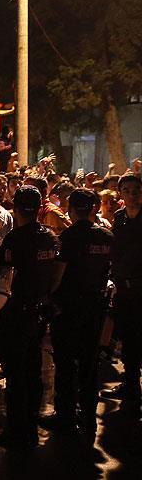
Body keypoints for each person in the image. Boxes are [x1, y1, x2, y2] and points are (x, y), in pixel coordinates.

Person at [0, 186, 64, 450]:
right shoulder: (49, 237)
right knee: (33, 370)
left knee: (15, 373)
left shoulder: (15, 239)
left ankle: (16, 431)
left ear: (16, 207)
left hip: (16, 312)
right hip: (39, 310)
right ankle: (30, 426)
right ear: (40, 207)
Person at [43, 188, 113, 444]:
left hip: (69, 307)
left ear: (71, 209)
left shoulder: (68, 237)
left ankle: (65, 415)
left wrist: (49, 296)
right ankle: (89, 417)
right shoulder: (106, 236)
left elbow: (59, 273)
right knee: (89, 363)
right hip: (95, 307)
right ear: (93, 208)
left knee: (65, 362)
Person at [101, 175, 142, 413]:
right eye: (127, 190)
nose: (132, 194)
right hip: (124, 288)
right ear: (121, 193)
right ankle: (131, 385)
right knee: (128, 338)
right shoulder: (119, 218)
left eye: (136, 190)